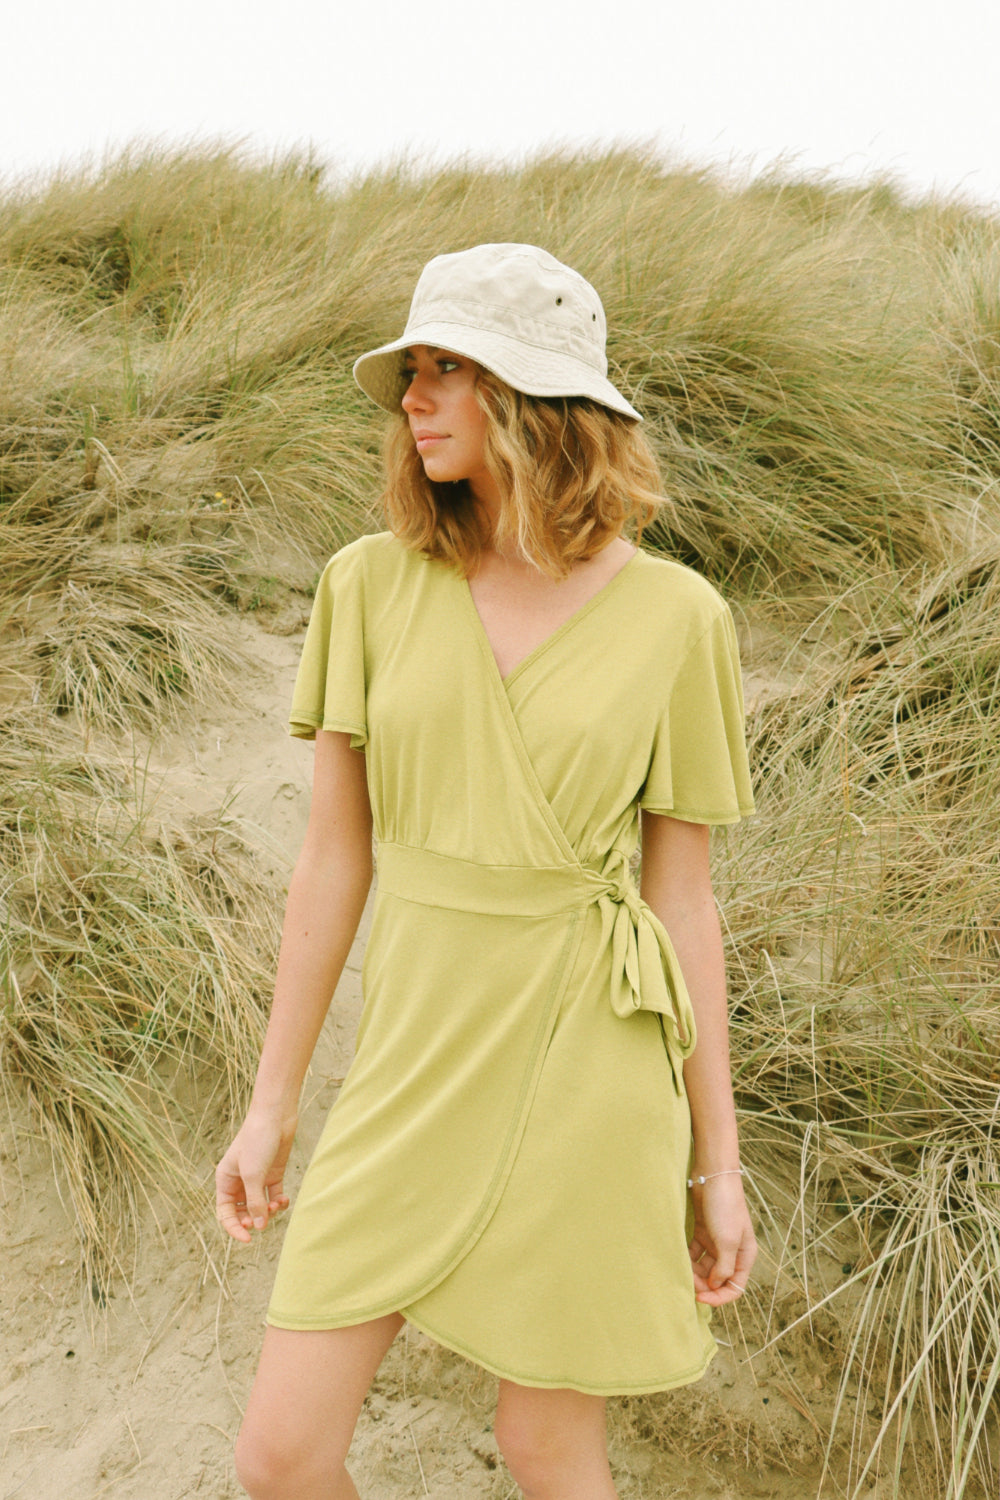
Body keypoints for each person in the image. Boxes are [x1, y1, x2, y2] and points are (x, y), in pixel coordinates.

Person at [216, 242, 757, 1500]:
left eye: (446, 369)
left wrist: (713, 1167)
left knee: (545, 1451)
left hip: (590, 1064)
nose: (411, 398)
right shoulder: (368, 585)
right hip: (414, 1057)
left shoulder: (680, 620)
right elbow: (329, 863)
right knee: (282, 1455)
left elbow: (683, 904)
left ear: (535, 402)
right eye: (413, 369)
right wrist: (272, 1100)